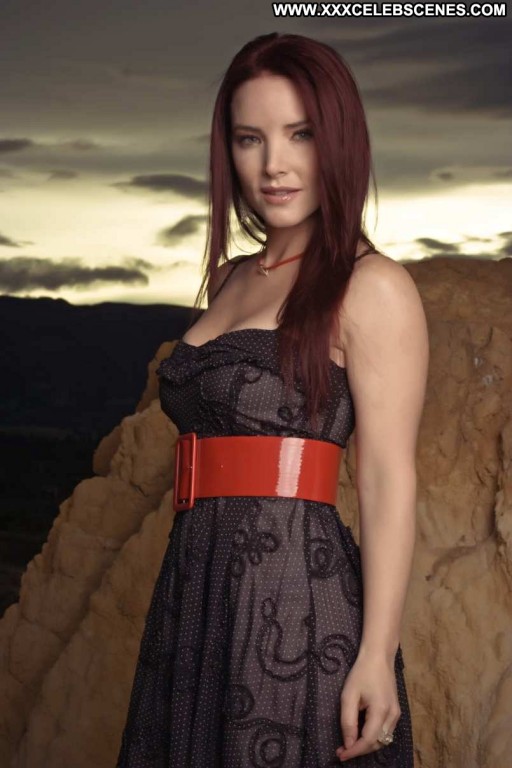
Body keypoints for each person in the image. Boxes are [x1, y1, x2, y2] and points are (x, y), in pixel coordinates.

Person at [116, 32, 428, 767]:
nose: (273, 165)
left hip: (294, 597)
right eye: (249, 138)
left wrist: (377, 653)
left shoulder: (372, 286)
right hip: (193, 587)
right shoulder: (232, 276)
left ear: (339, 140)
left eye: (300, 134)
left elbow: (387, 477)